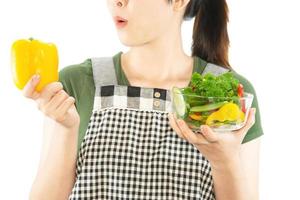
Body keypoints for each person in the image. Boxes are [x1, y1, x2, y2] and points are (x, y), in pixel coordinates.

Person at [24, 0, 264, 199]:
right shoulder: (77, 82)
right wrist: (67, 130)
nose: (116, 2)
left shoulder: (230, 95)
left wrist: (225, 162)